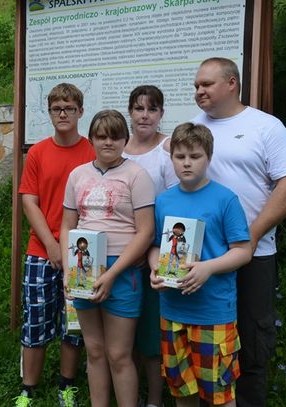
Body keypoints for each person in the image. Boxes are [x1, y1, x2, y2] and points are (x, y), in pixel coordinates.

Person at [191, 57, 286, 406]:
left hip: (254, 255)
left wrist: (250, 237)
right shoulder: (193, 128)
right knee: (207, 341)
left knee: (252, 342)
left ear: (231, 84)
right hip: (203, 257)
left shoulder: (265, 127)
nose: (199, 91)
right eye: (196, 86)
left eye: (206, 84)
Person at [149, 122, 252, 407]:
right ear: (172, 159)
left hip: (213, 312)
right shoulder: (163, 201)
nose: (187, 163)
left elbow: (243, 251)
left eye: (195, 157)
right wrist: (154, 268)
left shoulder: (225, 199)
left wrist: (208, 268)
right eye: (180, 157)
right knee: (182, 392)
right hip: (172, 311)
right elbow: (157, 245)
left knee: (219, 395)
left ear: (208, 157)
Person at [61, 109, 155, 407]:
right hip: (83, 267)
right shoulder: (77, 175)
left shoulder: (137, 175)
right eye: (101, 136)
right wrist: (67, 269)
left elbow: (146, 231)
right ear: (91, 139)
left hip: (122, 269)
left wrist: (113, 274)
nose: (108, 143)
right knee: (95, 350)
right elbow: (66, 226)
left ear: (125, 139)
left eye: (115, 136)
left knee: (119, 354)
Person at [16, 83, 95, 407]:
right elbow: (29, 202)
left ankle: (66, 385)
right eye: (56, 109)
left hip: (82, 253)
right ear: (48, 113)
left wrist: (68, 246)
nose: (63, 114)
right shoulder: (38, 152)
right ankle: (27, 390)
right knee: (35, 319)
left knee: (73, 324)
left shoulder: (92, 151)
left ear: (80, 111)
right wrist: (50, 243)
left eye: (69, 108)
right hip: (41, 249)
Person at [122, 85, 178, 407]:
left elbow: (173, 203)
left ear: (161, 114)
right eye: (139, 108)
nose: (145, 115)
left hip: (155, 254)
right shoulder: (118, 147)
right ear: (130, 111)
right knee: (123, 330)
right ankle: (128, 395)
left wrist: (153, 250)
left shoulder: (167, 149)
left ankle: (155, 400)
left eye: (152, 109)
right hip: (121, 253)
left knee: (152, 337)